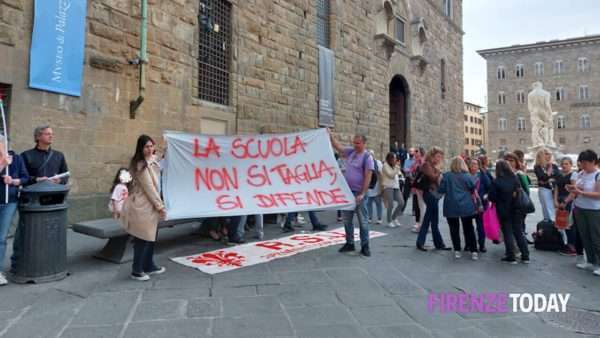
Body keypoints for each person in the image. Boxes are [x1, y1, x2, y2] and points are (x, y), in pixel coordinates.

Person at [11, 125, 69, 273]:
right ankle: (20, 261)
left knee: (52, 231)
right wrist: (37, 179)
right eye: (47, 134)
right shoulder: (26, 155)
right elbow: (21, 177)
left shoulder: (59, 155)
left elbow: (65, 175)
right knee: (26, 232)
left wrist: (59, 181)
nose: (51, 136)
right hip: (32, 201)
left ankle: (49, 260)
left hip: (53, 199)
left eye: (52, 134)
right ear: (38, 137)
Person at [121, 135, 167, 281]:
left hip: (151, 206)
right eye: (147, 146)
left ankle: (149, 265)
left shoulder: (152, 160)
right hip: (142, 206)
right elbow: (149, 189)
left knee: (151, 237)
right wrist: (160, 207)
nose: (150, 149)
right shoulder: (140, 165)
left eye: (151, 146)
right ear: (141, 148)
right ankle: (137, 270)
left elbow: (161, 159)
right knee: (142, 238)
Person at [329, 131, 373, 257]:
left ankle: (365, 246)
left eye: (358, 143)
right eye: (354, 142)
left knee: (363, 221)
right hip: (347, 192)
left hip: (359, 193)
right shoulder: (351, 152)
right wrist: (331, 136)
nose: (355, 145)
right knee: (347, 220)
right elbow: (339, 147)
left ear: (364, 143)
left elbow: (368, 177)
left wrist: (362, 193)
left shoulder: (367, 157)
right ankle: (350, 243)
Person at [488, 159, 530, 264]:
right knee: (518, 232)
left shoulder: (497, 181)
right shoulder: (515, 178)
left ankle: (511, 256)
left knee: (508, 233)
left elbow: (492, 197)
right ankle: (525, 256)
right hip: (517, 209)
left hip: (504, 210)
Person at [0, 137, 29, 286]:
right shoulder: (4, 160)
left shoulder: (16, 158)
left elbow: (25, 177)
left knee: (1, 237)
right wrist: (2, 164)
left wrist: (13, 181)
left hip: (9, 202)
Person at [567, 150, 600, 276]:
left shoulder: (598, 175)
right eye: (581, 163)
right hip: (580, 208)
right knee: (584, 236)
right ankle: (590, 260)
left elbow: (598, 195)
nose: (583, 165)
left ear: (593, 162)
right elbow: (577, 189)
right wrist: (571, 190)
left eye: (585, 163)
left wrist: (581, 193)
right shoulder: (581, 173)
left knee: (596, 237)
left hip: (594, 210)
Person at [438, 157, 478, 260]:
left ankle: (457, 250)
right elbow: (473, 188)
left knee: (454, 229)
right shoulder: (467, 176)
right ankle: (473, 251)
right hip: (466, 205)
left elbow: (441, 190)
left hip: (451, 205)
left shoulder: (446, 176)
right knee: (469, 228)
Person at [415, 147, 450, 251]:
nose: (440, 159)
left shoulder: (432, 165)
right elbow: (433, 178)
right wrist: (439, 170)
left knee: (434, 220)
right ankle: (421, 243)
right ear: (432, 156)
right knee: (428, 219)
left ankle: (438, 244)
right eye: (438, 156)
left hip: (433, 195)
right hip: (429, 194)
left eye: (441, 157)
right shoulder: (426, 165)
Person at [553, 157, 577, 256]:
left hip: (569, 202)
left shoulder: (573, 175)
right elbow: (556, 188)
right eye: (563, 164)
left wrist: (566, 202)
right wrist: (555, 201)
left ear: (571, 165)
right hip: (560, 201)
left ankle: (572, 247)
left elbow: (573, 191)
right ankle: (565, 244)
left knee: (569, 225)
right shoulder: (560, 175)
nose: (564, 165)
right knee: (561, 223)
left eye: (566, 164)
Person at [469, 158, 491, 252]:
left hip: (480, 204)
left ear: (478, 166)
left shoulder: (482, 175)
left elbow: (489, 186)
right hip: (468, 204)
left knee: (480, 226)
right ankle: (469, 244)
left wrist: (486, 196)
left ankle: (482, 245)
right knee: (468, 225)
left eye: (475, 164)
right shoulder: (466, 175)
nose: (474, 166)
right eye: (472, 164)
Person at [534, 148, 560, 221]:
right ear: (542, 155)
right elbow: (542, 177)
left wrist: (547, 179)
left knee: (555, 210)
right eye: (547, 154)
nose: (550, 155)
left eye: (550, 154)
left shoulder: (554, 166)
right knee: (548, 210)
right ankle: (550, 226)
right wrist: (549, 173)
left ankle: (555, 227)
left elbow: (558, 177)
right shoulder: (538, 167)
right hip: (545, 190)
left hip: (555, 191)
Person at [381, 152, 404, 228]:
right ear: (390, 159)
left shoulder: (395, 166)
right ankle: (389, 221)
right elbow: (391, 175)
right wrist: (397, 168)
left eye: (395, 158)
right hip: (388, 187)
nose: (395, 159)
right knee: (391, 204)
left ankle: (394, 217)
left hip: (396, 187)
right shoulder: (385, 165)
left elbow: (399, 174)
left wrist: (401, 176)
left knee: (401, 202)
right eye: (394, 158)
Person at [410, 147, 426, 233]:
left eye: (417, 151)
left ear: (421, 153)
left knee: (422, 206)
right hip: (417, 186)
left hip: (420, 187)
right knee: (420, 206)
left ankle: (422, 225)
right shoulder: (416, 161)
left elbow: (420, 174)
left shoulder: (421, 161)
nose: (415, 153)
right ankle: (422, 224)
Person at [366, 150, 383, 225]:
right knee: (368, 203)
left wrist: (381, 186)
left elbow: (381, 174)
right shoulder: (366, 163)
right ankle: (369, 217)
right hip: (369, 186)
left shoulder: (378, 163)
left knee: (378, 203)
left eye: (371, 155)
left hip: (376, 186)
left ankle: (379, 218)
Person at [401, 148, 415, 213]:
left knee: (415, 195)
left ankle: (414, 210)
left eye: (412, 151)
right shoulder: (406, 160)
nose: (410, 153)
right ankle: (402, 209)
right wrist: (410, 170)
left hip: (414, 179)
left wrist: (409, 170)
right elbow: (404, 169)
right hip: (408, 179)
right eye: (410, 151)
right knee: (405, 195)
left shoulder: (416, 161)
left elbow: (414, 170)